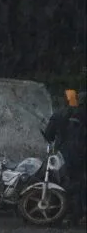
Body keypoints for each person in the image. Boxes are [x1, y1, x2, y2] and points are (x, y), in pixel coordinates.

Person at [44, 89, 86, 224]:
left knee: (61, 181)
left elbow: (49, 135)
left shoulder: (59, 113)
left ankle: (65, 212)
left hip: (64, 154)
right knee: (80, 182)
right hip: (82, 153)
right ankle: (80, 212)